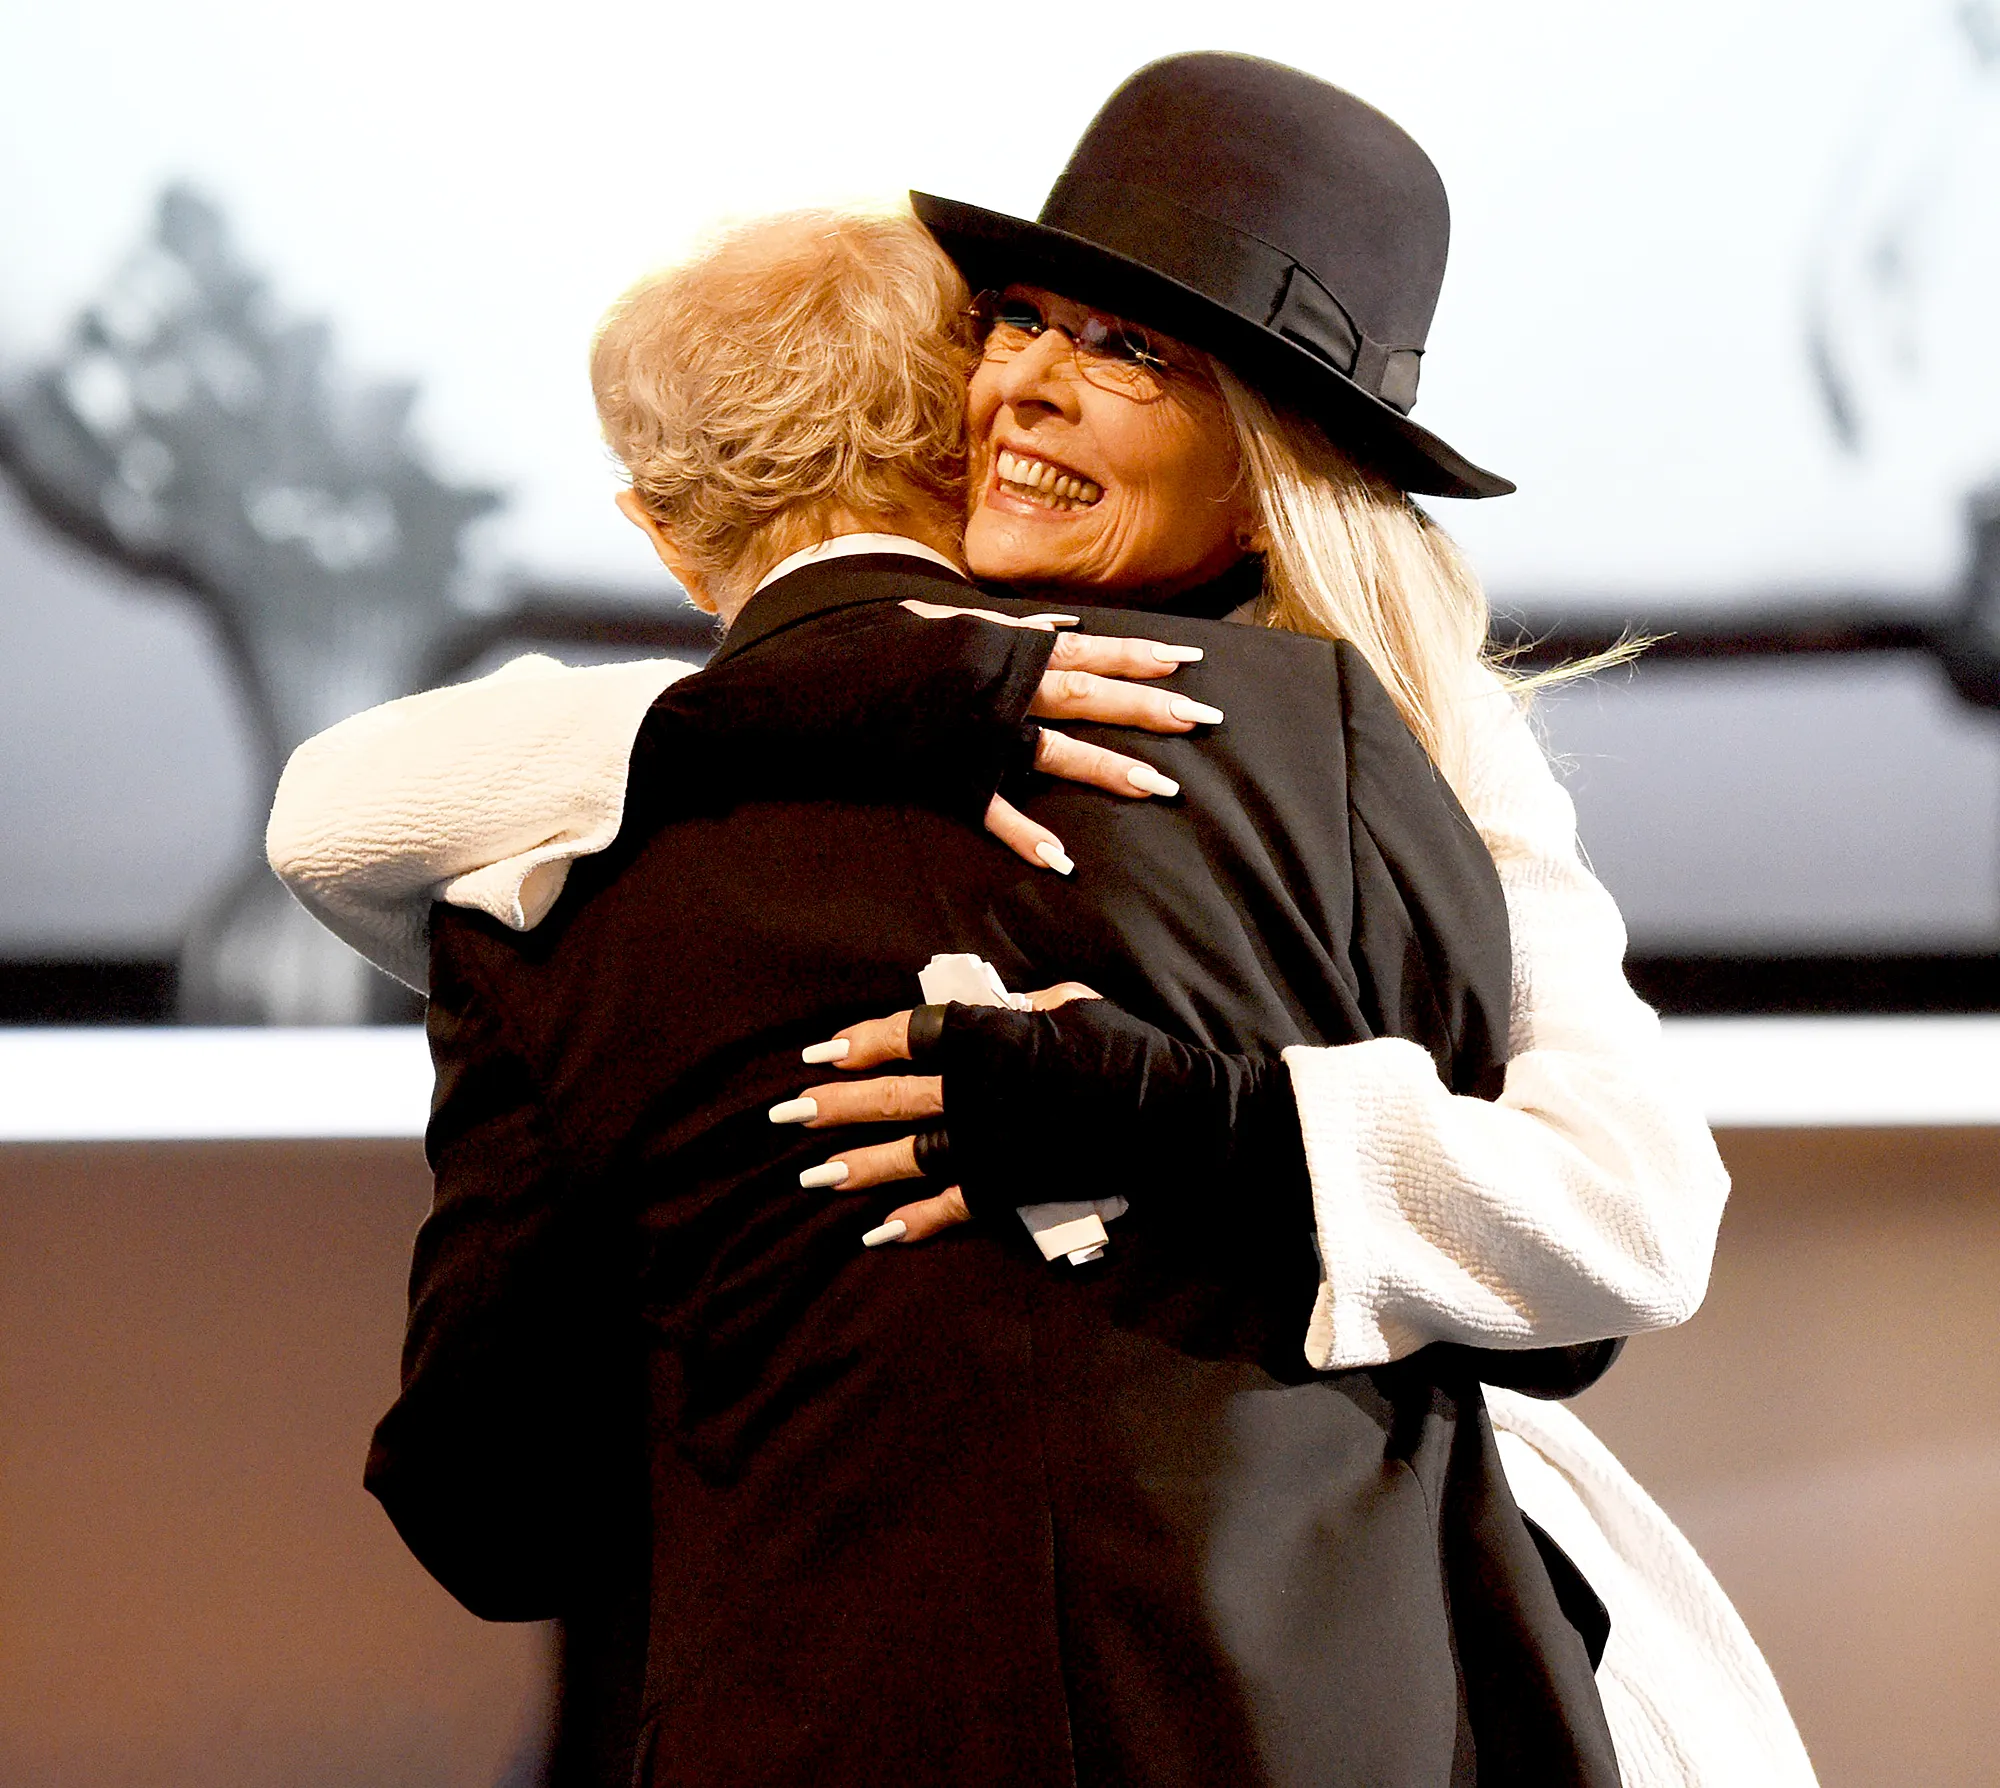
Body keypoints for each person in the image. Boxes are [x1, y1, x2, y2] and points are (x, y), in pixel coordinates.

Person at [272, 54, 1814, 1788]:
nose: (1027, 392)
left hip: (1348, 1641)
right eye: (1021, 320)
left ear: (1265, 473)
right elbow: (332, 806)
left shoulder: (1418, 746)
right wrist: (867, 695)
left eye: (1130, 352)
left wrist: (1183, 1117)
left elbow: (1628, 1219)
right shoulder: (784, 733)